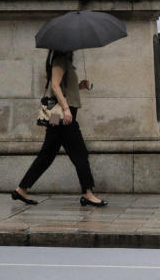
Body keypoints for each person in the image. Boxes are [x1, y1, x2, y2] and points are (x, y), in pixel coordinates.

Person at [11, 50, 107, 207]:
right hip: (63, 114)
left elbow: (61, 86)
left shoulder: (62, 60)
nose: (75, 47)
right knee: (80, 153)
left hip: (57, 114)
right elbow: (55, 86)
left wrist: (79, 86)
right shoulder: (60, 59)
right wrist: (67, 109)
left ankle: (21, 189)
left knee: (47, 155)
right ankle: (88, 194)